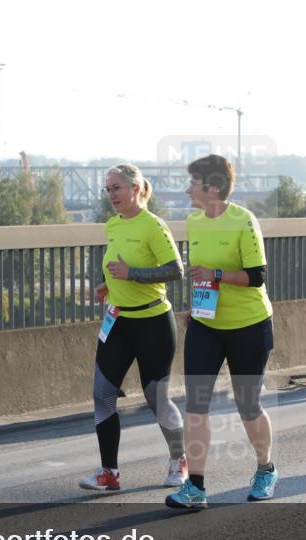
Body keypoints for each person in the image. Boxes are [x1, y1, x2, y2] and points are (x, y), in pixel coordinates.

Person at [165, 155, 276, 510]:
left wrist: (215, 275)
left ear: (212, 188)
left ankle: (266, 469)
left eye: (193, 183)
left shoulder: (244, 221)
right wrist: (197, 306)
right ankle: (195, 487)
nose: (187, 190)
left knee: (248, 404)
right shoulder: (194, 222)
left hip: (249, 325)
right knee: (196, 405)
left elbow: (256, 276)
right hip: (206, 325)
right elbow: (203, 273)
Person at [79, 164, 187, 491]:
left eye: (117, 188)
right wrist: (108, 285)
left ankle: (179, 461)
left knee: (156, 398)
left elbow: (175, 270)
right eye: (108, 189)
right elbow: (118, 266)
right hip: (118, 321)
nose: (111, 195)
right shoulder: (113, 225)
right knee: (102, 394)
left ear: (135, 188)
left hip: (153, 323)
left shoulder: (153, 225)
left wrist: (131, 275)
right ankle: (109, 473)